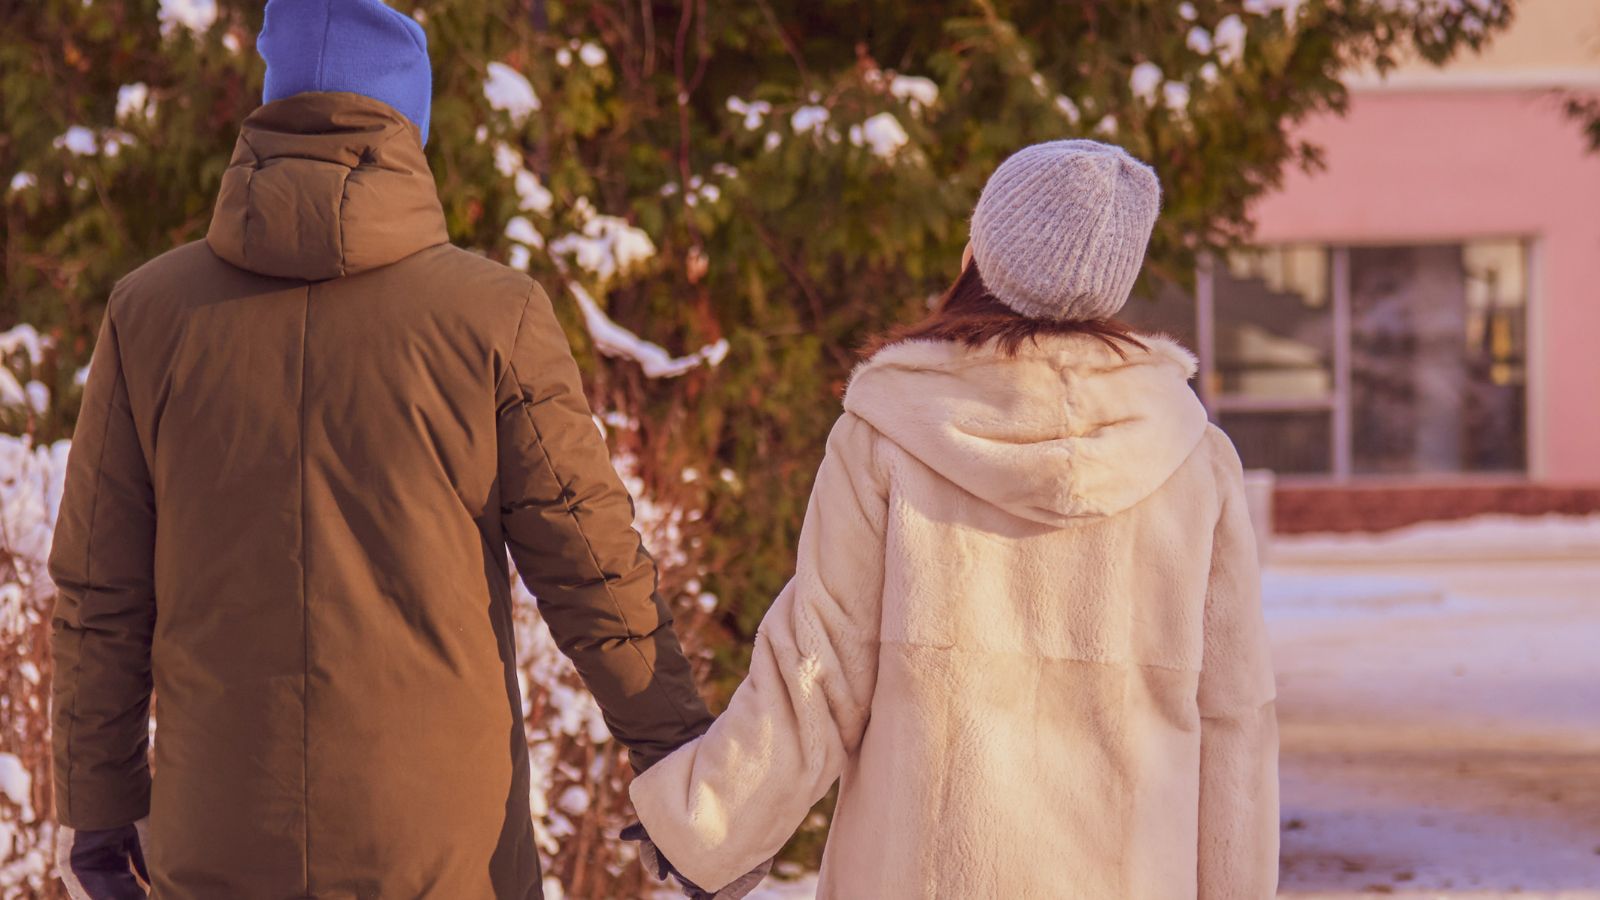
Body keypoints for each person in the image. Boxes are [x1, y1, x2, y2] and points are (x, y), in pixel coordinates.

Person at [48, 1, 712, 897]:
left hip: (218, 843)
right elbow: (593, 570)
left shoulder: (149, 315)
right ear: (409, 123)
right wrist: (685, 769)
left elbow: (103, 591)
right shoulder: (492, 317)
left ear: (271, 112)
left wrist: (97, 809)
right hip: (442, 852)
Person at [625, 140, 1280, 898]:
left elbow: (818, 665)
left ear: (981, 252)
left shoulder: (888, 433)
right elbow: (1234, 721)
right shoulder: (1194, 459)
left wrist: (706, 825)